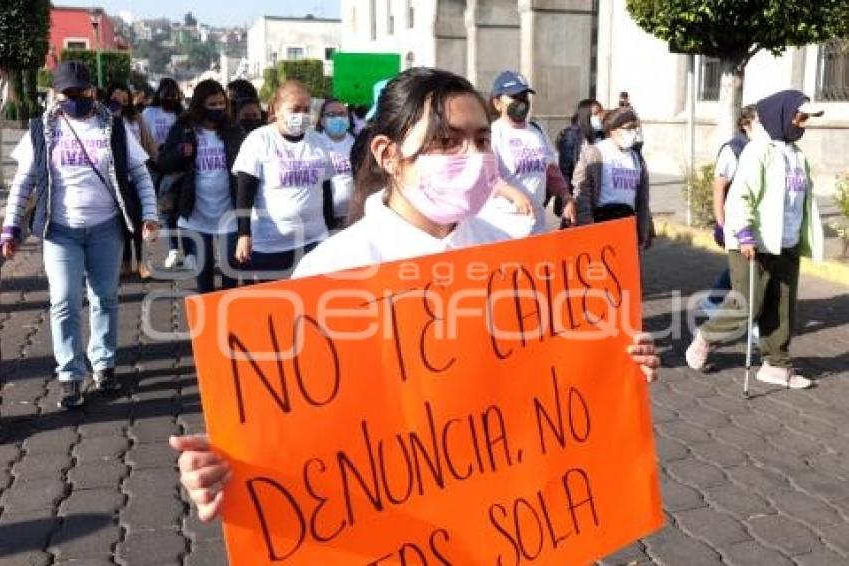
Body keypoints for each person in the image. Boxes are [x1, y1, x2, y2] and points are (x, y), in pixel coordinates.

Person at [169, 67, 660, 520]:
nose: (472, 156)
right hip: (396, 519)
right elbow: (294, 418)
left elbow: (551, 378)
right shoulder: (332, 272)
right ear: (388, 155)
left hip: (507, 510)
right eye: (447, 142)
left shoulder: (510, 255)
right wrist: (230, 466)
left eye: (481, 139)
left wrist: (615, 367)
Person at [0, 61, 159, 408]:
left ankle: (103, 365)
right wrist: (10, 227)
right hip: (59, 230)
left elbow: (141, 174)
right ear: (55, 94)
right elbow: (23, 182)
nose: (75, 98)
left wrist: (149, 214)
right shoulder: (40, 130)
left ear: (93, 91)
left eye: (82, 92)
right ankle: (70, 373)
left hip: (106, 228)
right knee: (64, 301)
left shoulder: (115, 128)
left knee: (104, 297)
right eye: (68, 93)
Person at [686, 90, 825, 389]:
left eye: (807, 119)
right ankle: (706, 336)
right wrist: (745, 233)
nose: (803, 124)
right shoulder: (758, 150)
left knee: (782, 305)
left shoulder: (798, 156)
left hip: (785, 242)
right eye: (800, 117)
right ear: (782, 116)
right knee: (748, 305)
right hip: (754, 242)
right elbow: (741, 196)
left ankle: (776, 365)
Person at [231, 80, 333, 281]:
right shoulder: (259, 140)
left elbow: (326, 188)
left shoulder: (319, 142)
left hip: (314, 239)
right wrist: (243, 234)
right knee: (276, 304)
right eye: (295, 109)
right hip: (271, 244)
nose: (302, 115)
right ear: (276, 110)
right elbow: (244, 192)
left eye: (306, 109)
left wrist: (330, 228)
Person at [157, 79, 245, 293]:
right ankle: (207, 321)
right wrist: (179, 152)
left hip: (228, 213)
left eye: (221, 104)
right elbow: (163, 163)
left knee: (230, 271)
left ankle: (227, 317)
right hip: (196, 213)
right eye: (212, 105)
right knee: (203, 274)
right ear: (199, 105)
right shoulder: (184, 128)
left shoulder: (233, 130)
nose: (218, 109)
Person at [489, 70, 574, 234]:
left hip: (536, 223)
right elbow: (488, 179)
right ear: (497, 103)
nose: (522, 102)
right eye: (515, 97)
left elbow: (551, 169)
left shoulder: (537, 130)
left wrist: (565, 196)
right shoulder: (492, 134)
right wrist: (514, 194)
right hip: (504, 225)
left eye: (524, 97)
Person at [699, 105, 758, 316]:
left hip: (754, 219)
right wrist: (720, 223)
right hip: (736, 219)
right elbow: (719, 187)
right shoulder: (734, 149)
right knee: (743, 265)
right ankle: (718, 305)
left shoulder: (762, 148)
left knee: (745, 265)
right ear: (745, 124)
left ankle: (716, 301)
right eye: (758, 122)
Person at [573, 106, 654, 250]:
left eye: (636, 128)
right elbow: (582, 192)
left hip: (627, 223)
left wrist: (645, 228)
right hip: (602, 222)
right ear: (613, 130)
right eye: (629, 128)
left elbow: (642, 198)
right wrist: (586, 229)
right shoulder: (596, 153)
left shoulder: (636, 158)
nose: (634, 132)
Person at [107, 81, 157, 279]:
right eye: (118, 99)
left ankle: (143, 262)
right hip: (117, 179)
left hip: (136, 175)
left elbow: (147, 142)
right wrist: (113, 110)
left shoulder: (136, 119)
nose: (122, 102)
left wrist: (155, 161)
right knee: (121, 223)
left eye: (125, 99)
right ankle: (126, 262)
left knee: (138, 222)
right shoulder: (107, 118)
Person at [144, 78, 185, 269]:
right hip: (154, 165)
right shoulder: (150, 113)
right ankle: (170, 247)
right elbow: (143, 137)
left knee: (169, 208)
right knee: (158, 209)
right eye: (166, 94)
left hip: (175, 166)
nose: (169, 98)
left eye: (173, 94)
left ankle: (176, 249)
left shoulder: (181, 115)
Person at [555, 98, 604, 226]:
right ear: (586, 115)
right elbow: (564, 171)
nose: (599, 117)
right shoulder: (571, 136)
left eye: (600, 113)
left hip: (593, 198)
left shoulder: (601, 136)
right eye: (595, 114)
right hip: (575, 195)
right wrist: (567, 199)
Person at [315, 98, 355, 229]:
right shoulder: (315, 144)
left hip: (354, 215)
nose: (338, 118)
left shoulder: (356, 143)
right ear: (322, 120)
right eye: (331, 115)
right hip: (325, 217)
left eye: (342, 114)